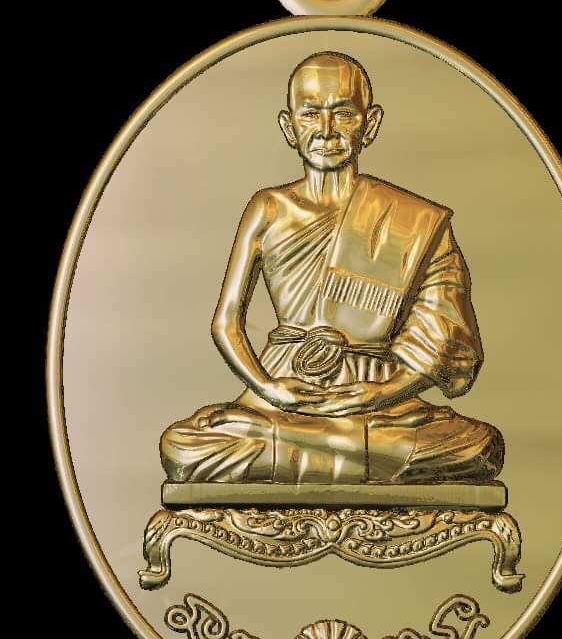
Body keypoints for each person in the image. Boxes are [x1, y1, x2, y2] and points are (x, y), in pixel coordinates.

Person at [160, 52, 504, 486]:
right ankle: (353, 452)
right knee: (184, 447)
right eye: (310, 114)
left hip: (380, 399)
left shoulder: (414, 220)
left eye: (343, 113)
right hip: (284, 393)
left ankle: (296, 446)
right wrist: (268, 389)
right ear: (289, 127)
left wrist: (381, 393)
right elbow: (226, 323)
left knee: (476, 446)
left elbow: (445, 335)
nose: (326, 130)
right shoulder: (269, 208)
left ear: (369, 124)